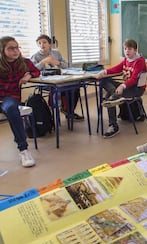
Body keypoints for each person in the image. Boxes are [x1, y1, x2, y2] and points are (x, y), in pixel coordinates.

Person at [0, 36, 40, 167]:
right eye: (11, 48)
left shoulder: (24, 62)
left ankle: (23, 150)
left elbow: (36, 71)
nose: (15, 51)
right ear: (2, 50)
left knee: (12, 109)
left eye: (17, 47)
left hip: (9, 98)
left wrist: (28, 75)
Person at [95, 39, 147, 138]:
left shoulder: (139, 61)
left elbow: (134, 79)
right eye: (125, 49)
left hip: (136, 89)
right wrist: (104, 72)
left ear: (135, 50)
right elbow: (117, 68)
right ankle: (114, 93)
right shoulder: (126, 60)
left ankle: (113, 126)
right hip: (126, 87)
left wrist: (122, 86)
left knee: (110, 99)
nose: (127, 51)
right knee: (104, 80)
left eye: (130, 49)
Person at [31, 34, 84, 121]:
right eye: (39, 43)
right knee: (59, 89)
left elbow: (66, 66)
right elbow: (33, 70)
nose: (42, 45)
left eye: (44, 42)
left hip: (60, 80)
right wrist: (43, 62)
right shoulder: (35, 56)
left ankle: (68, 111)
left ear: (50, 44)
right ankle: (58, 107)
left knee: (75, 87)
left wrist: (57, 62)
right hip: (45, 83)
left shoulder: (56, 53)